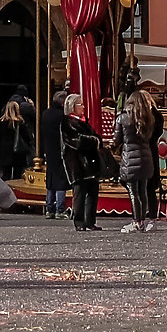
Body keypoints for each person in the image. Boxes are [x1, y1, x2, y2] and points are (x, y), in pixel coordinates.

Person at [117, 82, 163, 233]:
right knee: (143, 190)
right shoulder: (150, 119)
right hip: (147, 156)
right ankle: (144, 219)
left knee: (133, 191)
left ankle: (137, 221)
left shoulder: (123, 118)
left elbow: (117, 139)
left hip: (130, 156)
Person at [60, 93, 103, 230]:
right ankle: (79, 221)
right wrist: (93, 140)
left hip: (90, 162)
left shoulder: (84, 121)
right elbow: (76, 141)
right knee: (80, 192)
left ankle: (90, 221)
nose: (83, 107)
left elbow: (95, 136)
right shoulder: (67, 122)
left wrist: (96, 140)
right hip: (77, 163)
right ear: (72, 107)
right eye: (80, 104)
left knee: (92, 191)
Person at [38, 90, 68, 218]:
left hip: (49, 149)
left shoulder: (46, 113)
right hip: (60, 150)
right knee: (60, 179)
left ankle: (49, 207)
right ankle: (60, 209)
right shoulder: (62, 116)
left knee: (50, 179)